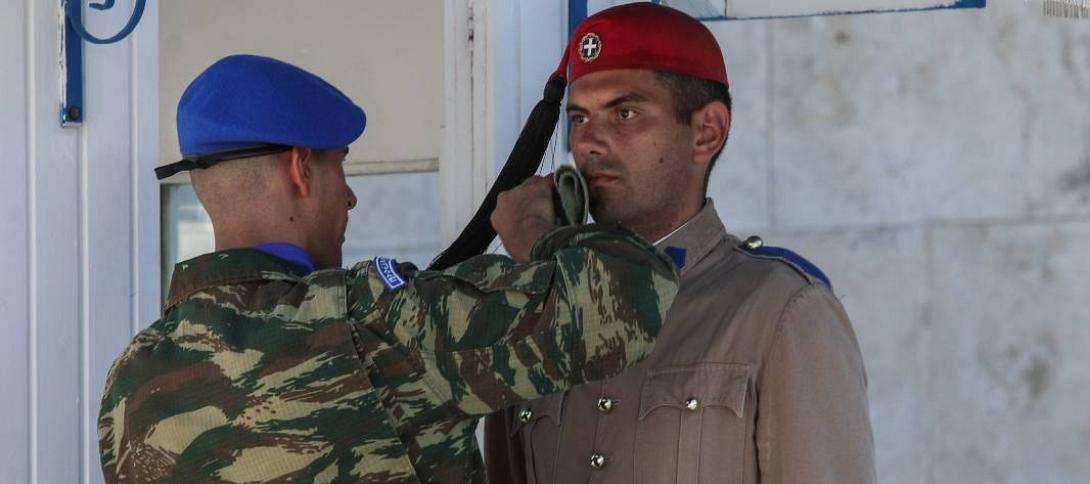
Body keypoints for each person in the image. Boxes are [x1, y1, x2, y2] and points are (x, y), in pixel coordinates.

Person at [97, 54, 679, 483]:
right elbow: (628, 298)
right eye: (340, 167)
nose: (350, 197)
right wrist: (536, 233)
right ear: (301, 168)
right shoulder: (377, 322)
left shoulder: (131, 382)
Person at [484, 4, 876, 483]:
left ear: (706, 132)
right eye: (580, 118)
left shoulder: (780, 310)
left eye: (625, 113)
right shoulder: (531, 310)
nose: (588, 142)